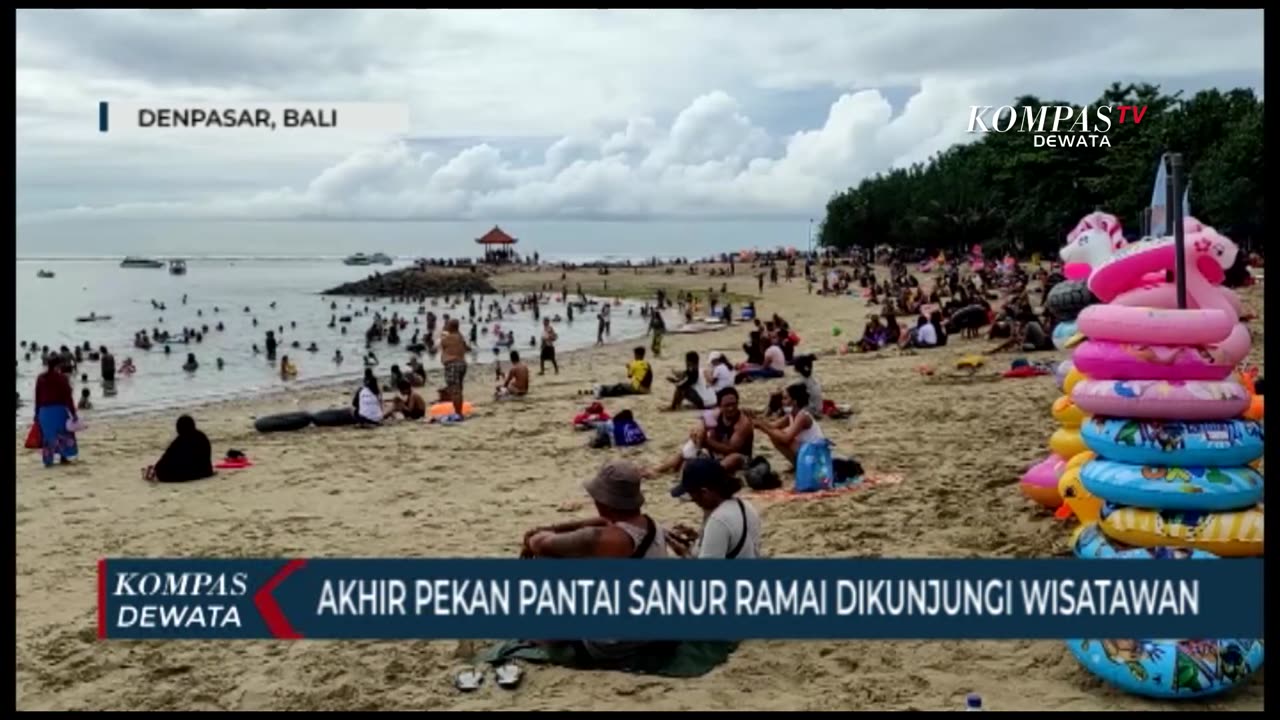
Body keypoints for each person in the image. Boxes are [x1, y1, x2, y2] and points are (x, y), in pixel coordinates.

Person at [520, 460, 670, 663]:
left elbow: (539, 543)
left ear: (603, 501)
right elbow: (601, 523)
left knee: (547, 561)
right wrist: (562, 526)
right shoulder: (650, 525)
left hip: (615, 643)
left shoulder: (600, 539)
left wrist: (539, 534)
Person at [667, 458, 763, 559]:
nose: (693, 500)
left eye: (692, 494)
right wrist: (698, 538)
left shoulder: (718, 521)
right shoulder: (745, 506)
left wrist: (683, 553)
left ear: (704, 492)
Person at [646, 387, 753, 477]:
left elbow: (731, 449)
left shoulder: (743, 424)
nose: (731, 408)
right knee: (688, 447)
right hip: (719, 454)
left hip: (740, 459)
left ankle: (712, 474)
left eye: (734, 404)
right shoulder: (717, 414)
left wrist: (706, 442)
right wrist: (699, 430)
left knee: (733, 458)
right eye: (727, 405)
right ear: (720, 406)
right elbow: (704, 419)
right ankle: (659, 469)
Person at [751, 382, 825, 466]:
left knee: (781, 436)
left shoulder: (802, 416)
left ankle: (801, 465)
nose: (782, 402)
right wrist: (756, 420)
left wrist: (763, 428)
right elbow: (772, 426)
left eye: (785, 398)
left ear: (794, 402)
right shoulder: (791, 415)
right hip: (809, 452)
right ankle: (797, 465)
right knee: (775, 435)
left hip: (817, 455)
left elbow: (786, 439)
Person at [33, 356, 79, 467]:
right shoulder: (62, 378)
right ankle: (63, 457)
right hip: (58, 410)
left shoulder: (41, 378)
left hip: (44, 412)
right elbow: (68, 398)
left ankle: (48, 461)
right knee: (63, 433)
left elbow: (37, 397)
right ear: (58, 365)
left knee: (48, 436)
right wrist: (73, 413)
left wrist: (36, 413)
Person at [144, 415, 214, 483]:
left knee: (162, 472)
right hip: (206, 471)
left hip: (187, 474)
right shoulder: (202, 436)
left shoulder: (180, 440)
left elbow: (165, 459)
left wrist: (157, 469)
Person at [440, 318, 469, 418]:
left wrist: (443, 332)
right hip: (462, 364)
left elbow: (439, 347)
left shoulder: (447, 339)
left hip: (452, 364)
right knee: (458, 389)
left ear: (450, 327)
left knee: (455, 390)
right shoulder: (460, 337)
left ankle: (458, 413)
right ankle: (459, 411)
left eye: (447, 325)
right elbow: (466, 348)